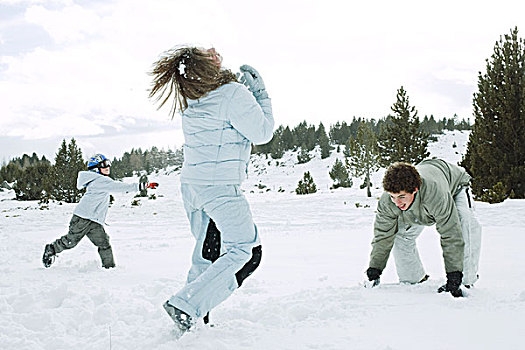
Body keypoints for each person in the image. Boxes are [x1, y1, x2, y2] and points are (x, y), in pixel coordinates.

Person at [149, 46, 274, 337]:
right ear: (207, 68)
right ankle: (187, 306)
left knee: (208, 253)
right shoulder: (232, 93)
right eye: (208, 53)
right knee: (247, 251)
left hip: (192, 185)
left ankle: (194, 320)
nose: (215, 50)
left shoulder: (191, 97)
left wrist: (244, 95)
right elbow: (263, 133)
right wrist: (261, 96)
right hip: (219, 188)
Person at [365, 159, 482, 297]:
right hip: (421, 204)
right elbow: (383, 235)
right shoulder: (388, 202)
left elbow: (451, 233)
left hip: (455, 187)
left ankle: (465, 281)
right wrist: (375, 268)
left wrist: (454, 276)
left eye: (401, 196)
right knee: (400, 235)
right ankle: (413, 279)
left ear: (414, 190)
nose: (397, 202)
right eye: (393, 197)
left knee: (464, 223)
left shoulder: (435, 194)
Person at [42, 153, 158, 269]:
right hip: (82, 218)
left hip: (94, 220)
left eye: (108, 164)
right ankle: (51, 249)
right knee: (70, 242)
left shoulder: (100, 180)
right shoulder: (99, 181)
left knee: (104, 243)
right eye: (103, 165)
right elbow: (119, 187)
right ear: (96, 169)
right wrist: (142, 186)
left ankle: (109, 268)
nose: (107, 167)